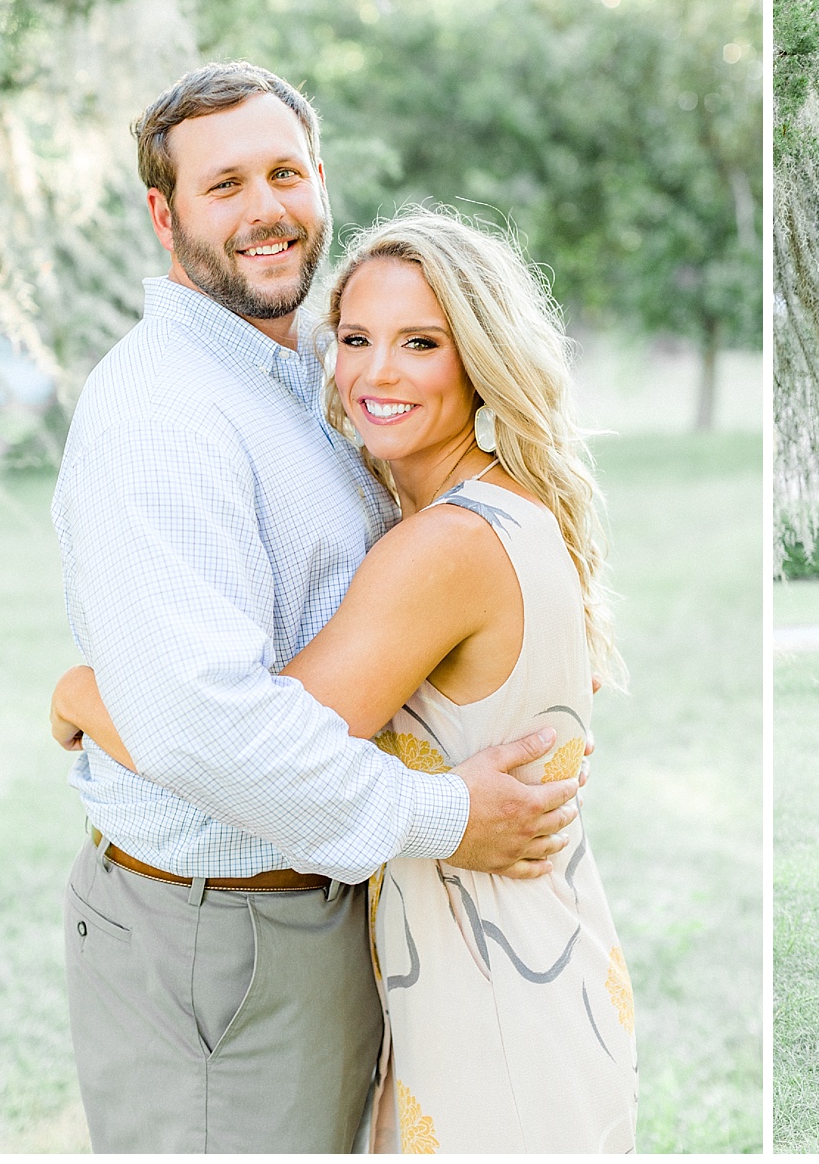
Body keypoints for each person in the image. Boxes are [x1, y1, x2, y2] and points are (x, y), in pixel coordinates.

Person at [49, 62, 585, 1153]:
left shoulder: (308, 374)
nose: (266, 209)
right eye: (225, 184)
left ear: (321, 180)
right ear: (165, 216)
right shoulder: (162, 411)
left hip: (333, 912)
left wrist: (85, 697)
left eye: (285, 172)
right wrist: (445, 816)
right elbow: (206, 730)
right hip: (219, 934)